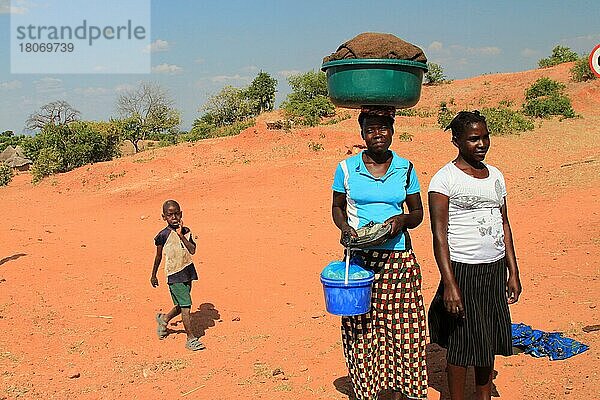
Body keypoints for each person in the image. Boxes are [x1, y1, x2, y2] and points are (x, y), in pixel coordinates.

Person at [331, 106, 428, 400]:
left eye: (383, 128)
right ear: (362, 134)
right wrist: (346, 228)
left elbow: (418, 212)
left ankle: (400, 393)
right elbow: (337, 207)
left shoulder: (406, 168)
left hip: (398, 258)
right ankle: (367, 393)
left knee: (404, 331)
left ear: (392, 132)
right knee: (361, 329)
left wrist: (402, 221)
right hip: (359, 259)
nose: (377, 135)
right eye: (371, 129)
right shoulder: (346, 168)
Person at [427, 111, 522, 400]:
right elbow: (439, 235)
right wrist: (450, 284)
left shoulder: (496, 176)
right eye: (473, 139)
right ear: (456, 141)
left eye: (485, 137)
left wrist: (513, 271)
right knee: (461, 342)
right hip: (462, 270)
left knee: (488, 337)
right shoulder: (444, 180)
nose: (481, 144)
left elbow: (504, 223)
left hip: (493, 269)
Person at [150, 199, 205, 351]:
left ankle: (164, 319)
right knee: (186, 306)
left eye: (176, 214)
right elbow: (158, 256)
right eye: (170, 215)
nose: (173, 217)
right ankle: (191, 339)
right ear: (164, 217)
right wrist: (153, 275)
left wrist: (181, 235)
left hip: (188, 271)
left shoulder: (186, 231)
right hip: (174, 274)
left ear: (181, 214)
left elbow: (192, 250)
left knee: (181, 305)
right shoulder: (162, 235)